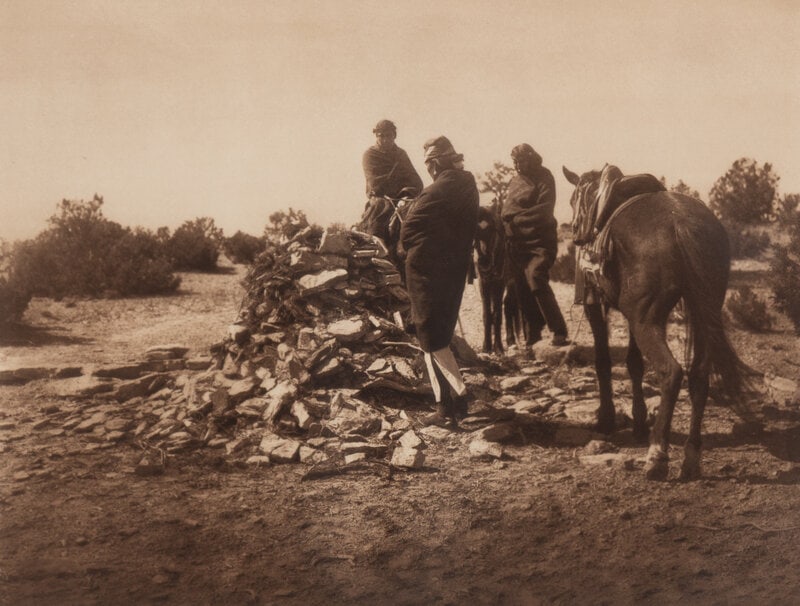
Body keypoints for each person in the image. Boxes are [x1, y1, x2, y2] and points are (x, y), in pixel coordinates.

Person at [400, 136, 479, 426]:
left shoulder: (439, 189)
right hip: (452, 270)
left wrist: (409, 222)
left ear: (437, 163)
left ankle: (457, 399)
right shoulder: (466, 185)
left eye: (430, 163)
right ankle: (448, 404)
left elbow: (408, 231)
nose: (429, 169)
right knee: (433, 334)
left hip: (428, 272)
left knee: (429, 335)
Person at [501, 143, 569, 347]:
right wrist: (506, 222)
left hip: (541, 242)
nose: (518, 165)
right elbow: (506, 211)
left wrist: (515, 220)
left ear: (531, 158)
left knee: (536, 277)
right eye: (515, 162)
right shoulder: (515, 181)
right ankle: (534, 334)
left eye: (521, 161)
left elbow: (545, 209)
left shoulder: (545, 176)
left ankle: (559, 330)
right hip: (517, 243)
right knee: (521, 287)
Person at [362, 120, 423, 200]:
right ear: (376, 136)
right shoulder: (370, 155)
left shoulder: (401, 154)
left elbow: (415, 181)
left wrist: (407, 194)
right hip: (381, 200)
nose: (385, 140)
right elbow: (376, 184)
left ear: (394, 135)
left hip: (404, 197)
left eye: (388, 135)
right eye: (381, 136)